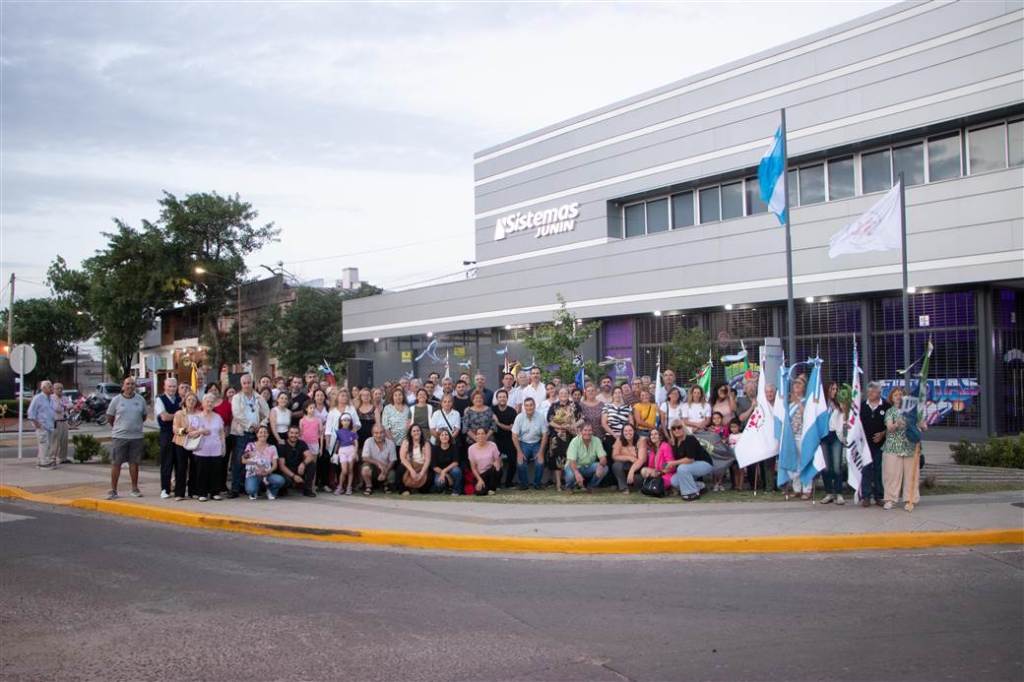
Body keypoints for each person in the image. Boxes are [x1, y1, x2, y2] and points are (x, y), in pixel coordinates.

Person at [105, 376, 147, 499]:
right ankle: (113, 490)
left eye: (132, 384)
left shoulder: (141, 400)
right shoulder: (116, 400)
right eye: (128, 384)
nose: (130, 386)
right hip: (119, 437)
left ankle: (134, 488)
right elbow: (110, 418)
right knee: (116, 463)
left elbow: (143, 417)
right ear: (123, 386)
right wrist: (120, 428)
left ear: (135, 386)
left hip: (136, 437)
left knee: (134, 463)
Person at [228, 374, 269, 498]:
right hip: (242, 432)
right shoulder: (236, 398)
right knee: (239, 461)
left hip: (256, 434)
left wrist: (261, 425)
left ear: (253, 383)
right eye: (244, 383)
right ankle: (235, 489)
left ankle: (250, 486)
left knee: (255, 459)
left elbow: (267, 413)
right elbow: (237, 414)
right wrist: (251, 425)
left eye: (249, 383)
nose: (246, 385)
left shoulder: (259, 397)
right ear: (241, 384)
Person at [882, 387, 920, 511]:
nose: (898, 397)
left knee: (911, 475)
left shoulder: (911, 411)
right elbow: (889, 427)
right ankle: (890, 500)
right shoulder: (890, 411)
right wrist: (896, 424)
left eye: (900, 394)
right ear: (892, 398)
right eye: (895, 395)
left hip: (910, 447)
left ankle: (910, 500)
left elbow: (921, 425)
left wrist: (923, 425)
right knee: (892, 475)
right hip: (893, 447)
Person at [189, 394, 226, 502]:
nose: (209, 404)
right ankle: (202, 493)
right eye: (207, 401)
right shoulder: (197, 417)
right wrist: (201, 431)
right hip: (201, 449)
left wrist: (223, 446)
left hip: (216, 448)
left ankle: (215, 492)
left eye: (211, 402)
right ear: (203, 403)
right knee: (202, 471)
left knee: (215, 471)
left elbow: (222, 433)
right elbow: (190, 433)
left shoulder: (218, 417)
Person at [666, 421, 713, 501]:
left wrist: (673, 463)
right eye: (673, 428)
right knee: (674, 481)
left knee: (682, 468)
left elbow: (690, 459)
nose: (676, 430)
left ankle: (692, 493)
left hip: (705, 464)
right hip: (690, 467)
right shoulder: (675, 442)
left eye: (679, 427)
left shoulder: (690, 438)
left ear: (683, 428)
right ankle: (700, 486)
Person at [860, 382, 889, 507]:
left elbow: (891, 425)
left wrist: (883, 434)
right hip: (865, 444)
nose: (870, 394)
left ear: (879, 393)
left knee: (878, 470)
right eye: (869, 392)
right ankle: (866, 496)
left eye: (873, 392)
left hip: (880, 444)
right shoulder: (862, 406)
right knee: (866, 470)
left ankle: (879, 496)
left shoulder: (886, 406)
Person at [153, 377, 181, 498]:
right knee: (167, 462)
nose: (172, 389)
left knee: (180, 463)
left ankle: (179, 489)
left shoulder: (180, 399)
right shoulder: (160, 399)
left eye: (174, 386)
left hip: (180, 433)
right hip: (167, 434)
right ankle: (165, 489)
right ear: (164, 387)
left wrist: (173, 416)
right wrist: (179, 415)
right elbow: (164, 417)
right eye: (169, 386)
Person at [512, 397, 547, 490]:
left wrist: (541, 452)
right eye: (526, 405)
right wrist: (519, 452)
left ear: (534, 406)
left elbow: (545, 435)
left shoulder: (540, 417)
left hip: (536, 443)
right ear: (524, 407)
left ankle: (537, 484)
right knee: (520, 463)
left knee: (540, 462)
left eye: (531, 405)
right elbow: (514, 436)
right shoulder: (519, 417)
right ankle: (524, 484)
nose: (529, 407)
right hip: (523, 443)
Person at [242, 425, 285, 500]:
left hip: (266, 474)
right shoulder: (251, 445)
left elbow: (275, 465)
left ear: (268, 434)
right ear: (257, 434)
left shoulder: (272, 447)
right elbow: (243, 460)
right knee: (251, 490)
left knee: (280, 480)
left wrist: (267, 472)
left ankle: (270, 491)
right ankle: (255, 491)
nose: (263, 434)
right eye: (260, 432)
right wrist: (256, 464)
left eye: (265, 432)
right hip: (253, 473)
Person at [821, 382, 847, 505]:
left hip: (835, 435)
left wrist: (844, 409)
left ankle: (839, 493)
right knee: (826, 467)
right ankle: (828, 492)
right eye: (832, 389)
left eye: (836, 389)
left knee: (837, 465)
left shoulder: (839, 404)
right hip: (824, 436)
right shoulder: (821, 404)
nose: (835, 391)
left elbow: (844, 419)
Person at [171, 392, 199, 500]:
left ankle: (193, 491)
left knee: (194, 467)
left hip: (195, 443)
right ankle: (179, 493)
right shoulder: (179, 414)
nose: (191, 402)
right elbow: (175, 429)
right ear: (185, 401)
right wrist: (186, 430)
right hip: (181, 442)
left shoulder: (199, 414)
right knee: (181, 467)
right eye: (189, 400)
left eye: (193, 400)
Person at [564, 422, 608, 493]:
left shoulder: (597, 440)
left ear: (592, 431)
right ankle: (569, 487)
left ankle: (591, 486)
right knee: (571, 475)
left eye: (590, 430)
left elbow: (603, 457)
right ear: (580, 431)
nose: (587, 433)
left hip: (588, 466)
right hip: (574, 466)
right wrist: (576, 473)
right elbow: (572, 461)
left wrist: (601, 465)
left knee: (605, 468)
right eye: (585, 430)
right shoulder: (574, 441)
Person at [276, 425, 316, 497]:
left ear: (299, 434)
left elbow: (310, 456)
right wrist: (294, 476)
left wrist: (303, 464)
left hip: (298, 468)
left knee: (312, 464)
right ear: (288, 433)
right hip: (287, 470)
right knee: (284, 479)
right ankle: (284, 489)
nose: (294, 435)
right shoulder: (282, 445)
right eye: (291, 433)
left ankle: (307, 490)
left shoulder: (302, 443)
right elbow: (282, 466)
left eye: (296, 433)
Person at [360, 424, 397, 495]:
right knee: (365, 469)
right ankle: (369, 486)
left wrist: (385, 472)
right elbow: (365, 457)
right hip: (372, 468)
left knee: (392, 476)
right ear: (372, 433)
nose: (379, 435)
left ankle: (385, 485)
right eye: (376, 433)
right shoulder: (368, 441)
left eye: (381, 432)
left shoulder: (390, 443)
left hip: (386, 468)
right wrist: (378, 463)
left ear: (385, 433)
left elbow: (393, 460)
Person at [27, 380, 56, 469]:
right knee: (44, 444)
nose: (52, 388)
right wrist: (37, 424)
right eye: (49, 386)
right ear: (43, 388)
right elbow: (31, 412)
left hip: (50, 425)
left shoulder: (51, 398)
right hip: (42, 425)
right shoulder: (38, 398)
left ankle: (41, 461)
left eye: (51, 386)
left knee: (48, 445)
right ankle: (44, 463)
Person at [492, 389, 518, 487]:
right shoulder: (492, 409)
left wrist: (497, 423)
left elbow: (510, 428)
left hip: (509, 439)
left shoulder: (512, 411)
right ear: (497, 399)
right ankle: (497, 483)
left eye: (504, 397)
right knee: (496, 461)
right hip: (495, 440)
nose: (502, 399)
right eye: (500, 397)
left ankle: (508, 482)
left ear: (507, 398)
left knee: (513, 461)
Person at [398, 423, 432, 495]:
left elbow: (427, 460)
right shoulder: (406, 442)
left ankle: (418, 489)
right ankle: (404, 490)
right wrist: (412, 471)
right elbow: (402, 458)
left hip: (421, 466)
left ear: (421, 432)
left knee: (426, 485)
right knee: (400, 468)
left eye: (418, 430)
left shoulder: (426, 443)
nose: (416, 432)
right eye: (414, 431)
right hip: (410, 466)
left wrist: (421, 474)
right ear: (410, 433)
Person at [467, 427, 502, 496]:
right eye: (478, 434)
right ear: (476, 436)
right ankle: (487, 488)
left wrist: (497, 463)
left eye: (483, 433)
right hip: (480, 475)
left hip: (491, 472)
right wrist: (479, 479)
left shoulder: (492, 445)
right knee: (479, 492)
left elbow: (498, 460)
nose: (480, 436)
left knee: (496, 469)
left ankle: (492, 488)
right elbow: (473, 468)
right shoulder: (471, 449)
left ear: (486, 435)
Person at [298, 403, 325, 490]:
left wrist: (320, 448)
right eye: (310, 408)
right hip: (305, 445)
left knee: (313, 465)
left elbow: (320, 435)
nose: (312, 409)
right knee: (305, 464)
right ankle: (304, 485)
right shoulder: (302, 420)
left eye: (314, 408)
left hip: (314, 444)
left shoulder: (318, 420)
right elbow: (300, 434)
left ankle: (312, 486)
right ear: (306, 409)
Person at [611, 424, 643, 493]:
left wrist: (631, 471)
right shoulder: (619, 440)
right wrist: (629, 457)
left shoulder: (640, 441)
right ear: (622, 432)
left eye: (630, 430)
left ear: (634, 431)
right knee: (616, 465)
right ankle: (624, 488)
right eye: (625, 431)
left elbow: (642, 459)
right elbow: (614, 456)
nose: (628, 433)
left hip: (637, 469)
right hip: (624, 467)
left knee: (638, 478)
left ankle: (638, 487)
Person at [600, 386, 633, 454]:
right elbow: (604, 423)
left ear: (622, 394)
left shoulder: (628, 407)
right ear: (612, 395)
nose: (617, 395)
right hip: (610, 436)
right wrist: (614, 434)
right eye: (615, 393)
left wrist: (625, 434)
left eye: (619, 392)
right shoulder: (607, 406)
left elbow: (631, 423)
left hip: (624, 436)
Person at [333, 413, 359, 495]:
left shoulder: (353, 432)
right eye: (344, 420)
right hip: (342, 451)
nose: (346, 422)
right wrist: (335, 453)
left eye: (348, 420)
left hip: (351, 450)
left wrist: (355, 452)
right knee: (344, 470)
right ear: (341, 422)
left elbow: (356, 443)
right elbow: (337, 443)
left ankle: (349, 487)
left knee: (350, 470)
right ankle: (340, 487)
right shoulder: (338, 432)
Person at [431, 429, 463, 495]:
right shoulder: (435, 449)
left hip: (451, 469)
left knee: (456, 471)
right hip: (439, 471)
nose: (444, 436)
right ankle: (445, 489)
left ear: (449, 436)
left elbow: (456, 462)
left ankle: (456, 490)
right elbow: (434, 466)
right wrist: (446, 475)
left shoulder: (454, 447)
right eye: (442, 435)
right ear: (439, 437)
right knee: (439, 483)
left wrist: (444, 471)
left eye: (446, 434)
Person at [50, 382, 71, 464]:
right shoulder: (52, 398)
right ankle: (52, 458)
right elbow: (57, 408)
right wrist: (65, 406)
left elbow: (71, 405)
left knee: (64, 440)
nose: (60, 390)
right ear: (54, 389)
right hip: (56, 422)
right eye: (58, 388)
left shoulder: (64, 398)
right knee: (55, 441)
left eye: (61, 388)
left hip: (64, 421)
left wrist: (65, 406)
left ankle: (63, 458)